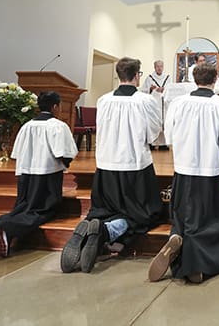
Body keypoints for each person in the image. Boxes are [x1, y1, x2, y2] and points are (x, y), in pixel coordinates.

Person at [61, 57, 166, 273]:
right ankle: (106, 232)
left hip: (106, 167)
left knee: (104, 209)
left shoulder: (103, 100)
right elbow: (153, 133)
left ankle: (89, 229)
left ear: (119, 75)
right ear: (137, 75)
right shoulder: (146, 101)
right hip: (134, 167)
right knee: (145, 214)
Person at [148, 63, 219, 284]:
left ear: (193, 79)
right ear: (216, 79)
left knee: (184, 215)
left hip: (183, 170)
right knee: (214, 221)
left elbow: (168, 136)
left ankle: (177, 238)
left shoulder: (178, 103)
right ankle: (197, 261)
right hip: (212, 172)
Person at [0, 91, 78, 258]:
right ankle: (6, 228)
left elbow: (16, 153)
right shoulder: (58, 126)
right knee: (41, 211)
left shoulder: (26, 125)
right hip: (47, 175)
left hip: (25, 174)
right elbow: (64, 154)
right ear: (55, 107)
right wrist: (65, 163)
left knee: (24, 206)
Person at [140, 60, 171, 149]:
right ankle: (152, 143)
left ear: (163, 67)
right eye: (157, 66)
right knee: (153, 123)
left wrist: (165, 89)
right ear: (154, 67)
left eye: (161, 66)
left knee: (164, 123)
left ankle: (163, 144)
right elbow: (143, 91)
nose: (159, 68)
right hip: (154, 104)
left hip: (164, 104)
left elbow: (171, 89)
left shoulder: (168, 78)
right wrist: (151, 89)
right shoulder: (150, 78)